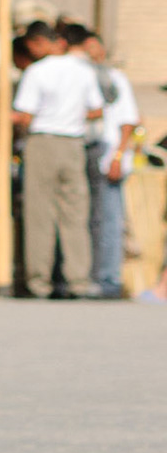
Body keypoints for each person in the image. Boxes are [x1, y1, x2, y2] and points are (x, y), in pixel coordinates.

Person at [12, 21, 103, 299]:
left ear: (38, 43)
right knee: (75, 214)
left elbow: (25, 115)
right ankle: (78, 280)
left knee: (40, 214)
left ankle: (39, 281)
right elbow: (97, 110)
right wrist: (71, 116)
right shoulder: (84, 71)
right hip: (73, 144)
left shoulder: (36, 72)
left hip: (43, 142)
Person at [71, 26, 139, 297]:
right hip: (88, 150)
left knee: (109, 219)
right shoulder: (81, 77)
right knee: (89, 217)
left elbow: (128, 121)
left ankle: (109, 279)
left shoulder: (114, 79)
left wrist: (119, 156)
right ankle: (90, 274)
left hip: (109, 152)